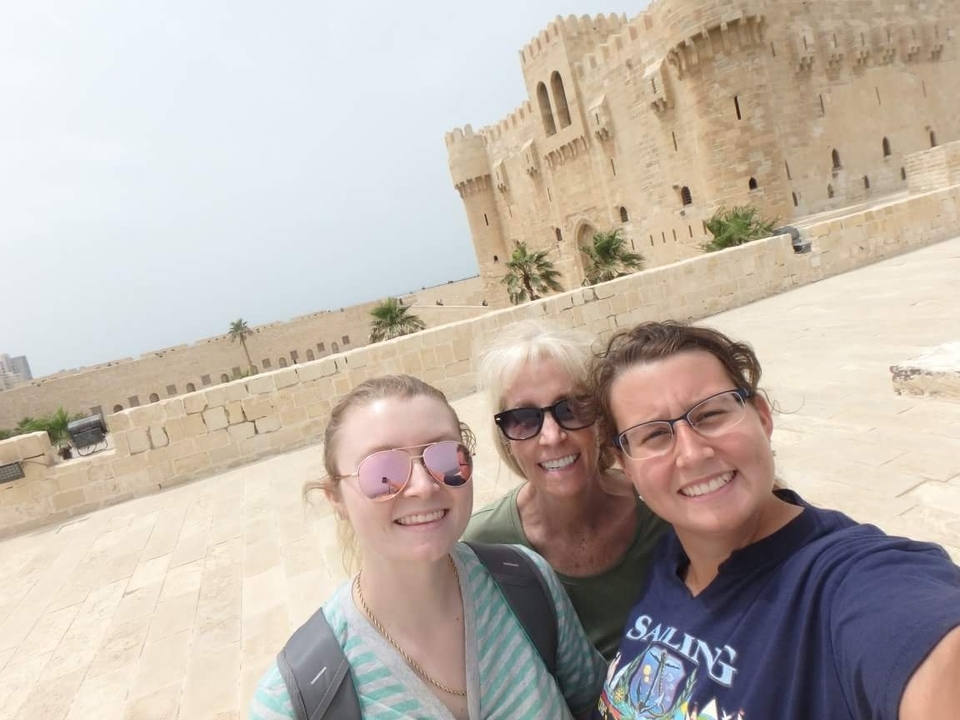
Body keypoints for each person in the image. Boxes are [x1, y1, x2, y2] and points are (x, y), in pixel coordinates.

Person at [586, 320, 960, 719]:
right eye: (655, 435)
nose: (692, 454)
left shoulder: (847, 582)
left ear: (761, 416)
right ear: (625, 464)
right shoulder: (669, 556)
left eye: (711, 414)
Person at [249, 374, 605, 720]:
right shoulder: (295, 699)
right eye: (382, 472)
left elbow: (597, 706)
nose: (423, 486)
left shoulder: (526, 582)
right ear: (336, 498)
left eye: (446, 458)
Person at [463, 320, 668, 660]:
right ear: (506, 438)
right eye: (525, 418)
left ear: (600, 418)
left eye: (571, 409)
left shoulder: (661, 505)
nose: (552, 436)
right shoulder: (482, 548)